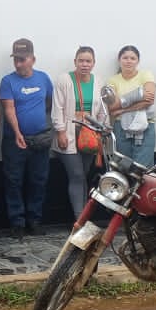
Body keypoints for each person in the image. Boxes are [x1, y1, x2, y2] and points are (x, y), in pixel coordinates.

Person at [0, 39, 54, 239]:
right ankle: (17, 222)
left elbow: (49, 103)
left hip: (39, 138)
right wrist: (17, 133)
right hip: (14, 140)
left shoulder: (43, 78)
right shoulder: (8, 81)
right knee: (13, 180)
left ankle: (34, 220)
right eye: (17, 60)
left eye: (23, 59)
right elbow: (8, 108)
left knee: (38, 180)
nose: (20, 64)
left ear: (33, 59)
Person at [51, 46, 108, 217]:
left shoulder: (98, 81)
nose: (84, 64)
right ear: (75, 62)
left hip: (89, 134)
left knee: (83, 175)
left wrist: (102, 129)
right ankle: (79, 218)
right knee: (76, 174)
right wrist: (60, 131)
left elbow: (102, 110)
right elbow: (57, 107)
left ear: (94, 63)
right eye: (81, 61)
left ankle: (83, 215)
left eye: (88, 61)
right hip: (69, 132)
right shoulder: (64, 80)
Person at [106, 45, 156, 168]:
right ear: (119, 60)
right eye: (125, 58)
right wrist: (138, 95)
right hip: (121, 127)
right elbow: (111, 106)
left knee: (142, 169)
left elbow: (149, 99)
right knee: (124, 167)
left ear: (138, 61)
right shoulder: (112, 80)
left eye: (133, 58)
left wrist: (123, 108)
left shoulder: (146, 75)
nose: (129, 61)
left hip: (146, 127)